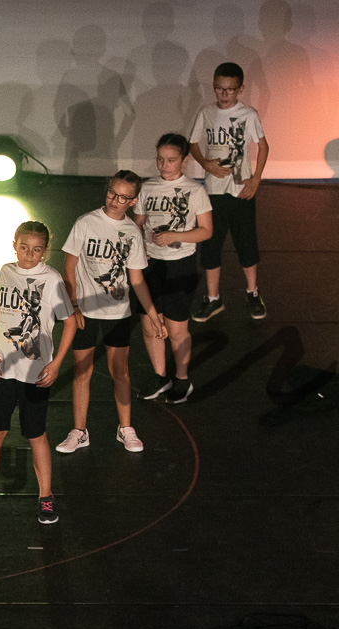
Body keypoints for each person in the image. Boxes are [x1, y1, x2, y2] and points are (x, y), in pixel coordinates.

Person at [0, 222, 76, 524]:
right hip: (1, 369)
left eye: (36, 250)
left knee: (36, 435)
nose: (29, 254)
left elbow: (70, 322)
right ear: (14, 245)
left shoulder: (51, 279)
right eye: (24, 247)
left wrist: (56, 363)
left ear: (45, 251)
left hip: (36, 374)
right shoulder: (6, 271)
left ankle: (46, 497)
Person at [56, 170, 167, 455]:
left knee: (121, 371)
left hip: (118, 313)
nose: (115, 200)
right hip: (85, 310)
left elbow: (137, 280)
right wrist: (73, 305)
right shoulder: (85, 223)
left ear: (133, 201)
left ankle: (125, 428)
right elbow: (69, 267)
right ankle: (79, 431)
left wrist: (153, 315)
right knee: (82, 370)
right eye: (111, 193)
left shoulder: (132, 233)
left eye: (122, 197)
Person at [133, 134, 214, 404]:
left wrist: (173, 237)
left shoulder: (195, 190)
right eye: (160, 159)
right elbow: (139, 222)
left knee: (177, 329)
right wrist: (140, 246)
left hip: (181, 266)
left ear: (184, 160)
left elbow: (206, 231)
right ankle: (160, 377)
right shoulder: (148, 187)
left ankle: (181, 378)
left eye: (171, 160)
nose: (164, 165)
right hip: (151, 264)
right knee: (149, 324)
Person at [189, 61, 269, 321]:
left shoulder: (249, 114)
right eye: (219, 89)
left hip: (241, 190)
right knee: (211, 244)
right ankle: (213, 298)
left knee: (246, 243)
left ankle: (252, 292)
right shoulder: (206, 113)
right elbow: (193, 143)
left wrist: (255, 179)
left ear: (240, 89)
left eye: (230, 89)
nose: (224, 94)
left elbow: (263, 146)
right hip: (213, 191)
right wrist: (205, 164)